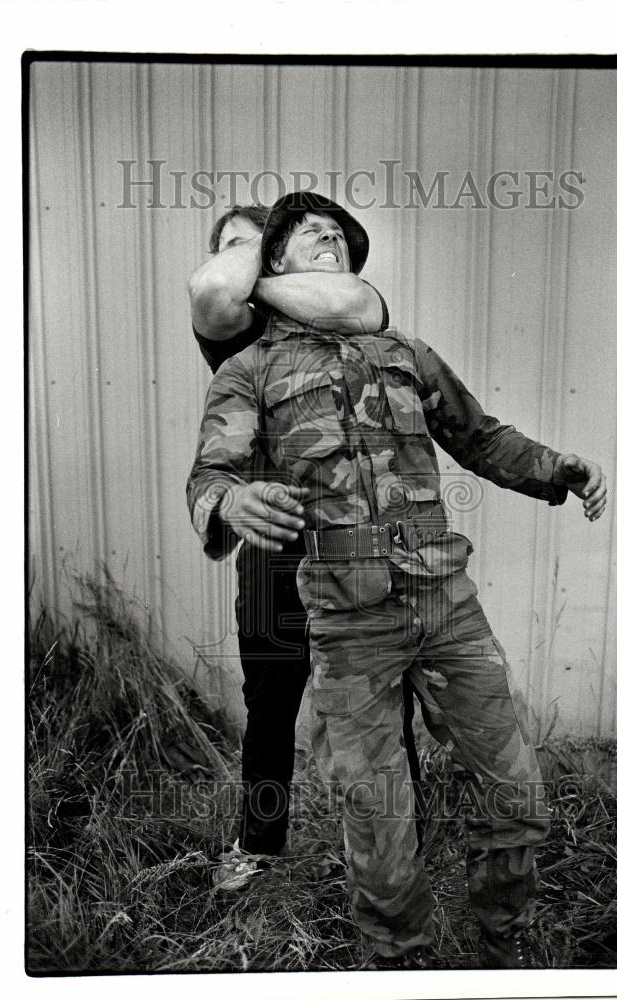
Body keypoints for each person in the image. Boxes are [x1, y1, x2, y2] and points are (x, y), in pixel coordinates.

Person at [187, 192, 607, 967]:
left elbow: (479, 436)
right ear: (272, 263)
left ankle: (504, 938)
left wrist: (559, 469)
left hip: (448, 605)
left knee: (515, 789)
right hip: (350, 627)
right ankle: (400, 959)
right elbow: (208, 474)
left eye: (339, 235)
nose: (331, 239)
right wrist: (233, 498)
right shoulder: (247, 369)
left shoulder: (405, 352)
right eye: (309, 232)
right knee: (377, 824)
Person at [188, 204, 424, 882]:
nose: (242, 261)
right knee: (271, 704)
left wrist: (262, 260)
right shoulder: (237, 337)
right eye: (234, 248)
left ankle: (403, 849)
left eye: (258, 245)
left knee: (384, 702)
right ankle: (259, 845)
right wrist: (255, 254)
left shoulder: (335, 311)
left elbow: (359, 301)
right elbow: (211, 289)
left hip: (360, 543)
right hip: (277, 543)